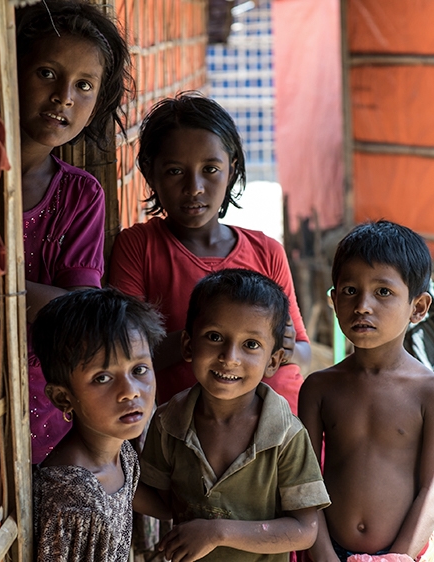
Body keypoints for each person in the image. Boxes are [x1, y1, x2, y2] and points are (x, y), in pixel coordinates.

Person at [108, 92, 311, 413]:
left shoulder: (267, 251)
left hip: (281, 428)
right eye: (175, 171)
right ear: (150, 172)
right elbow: (126, 356)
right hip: (187, 432)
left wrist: (283, 348)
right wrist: (207, 337)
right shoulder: (139, 247)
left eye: (210, 169)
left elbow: (302, 351)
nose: (195, 187)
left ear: (231, 169)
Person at [139, 269, 330, 562]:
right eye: (214, 337)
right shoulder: (168, 423)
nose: (229, 357)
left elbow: (304, 530)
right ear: (188, 346)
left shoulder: (286, 435)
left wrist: (218, 532)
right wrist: (112, 477)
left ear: (273, 361)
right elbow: (164, 503)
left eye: (250, 345)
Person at [15, 0, 134, 463]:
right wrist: (43, 298)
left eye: (83, 85)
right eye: (47, 73)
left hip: (43, 410)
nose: (64, 95)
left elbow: (77, 313)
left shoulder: (80, 196)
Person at [298, 221, 434, 562]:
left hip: (407, 555)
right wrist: (323, 555)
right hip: (327, 551)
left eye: (383, 292)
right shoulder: (318, 388)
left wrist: (395, 559)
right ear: (333, 299)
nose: (363, 305)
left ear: (418, 307)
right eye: (350, 290)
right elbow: (304, 485)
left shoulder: (433, 393)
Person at [30, 288, 169, 561]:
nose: (130, 391)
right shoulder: (74, 496)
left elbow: (150, 499)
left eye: (139, 370)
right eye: (103, 378)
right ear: (63, 397)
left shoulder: (120, 454)